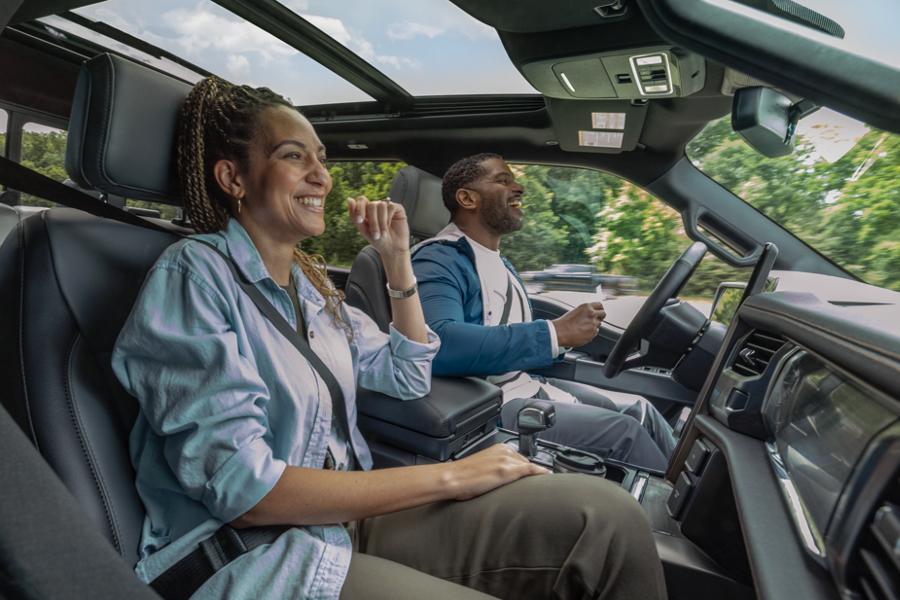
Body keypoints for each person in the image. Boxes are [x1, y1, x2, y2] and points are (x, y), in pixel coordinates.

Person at [111, 77, 666, 599]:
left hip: (343, 520)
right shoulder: (194, 276)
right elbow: (244, 490)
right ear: (233, 179)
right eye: (293, 156)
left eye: (321, 160)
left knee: (605, 516)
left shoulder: (310, 289)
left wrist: (398, 262)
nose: (321, 176)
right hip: (261, 554)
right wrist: (451, 477)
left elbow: (407, 372)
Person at [411, 153, 678, 471]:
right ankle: (675, 516)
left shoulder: (497, 261)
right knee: (625, 433)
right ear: (467, 198)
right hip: (484, 405)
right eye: (503, 180)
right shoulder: (437, 260)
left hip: (519, 384)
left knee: (640, 409)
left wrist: (565, 337)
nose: (519, 187)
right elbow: (437, 341)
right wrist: (554, 333)